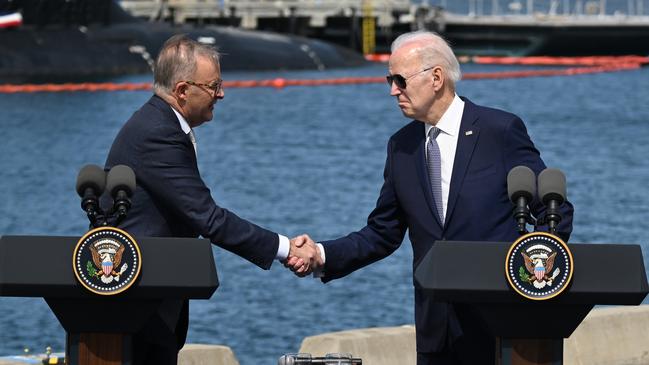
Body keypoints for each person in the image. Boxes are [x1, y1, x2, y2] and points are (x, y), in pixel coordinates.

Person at [287, 31, 573, 364]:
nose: (393, 90)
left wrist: (534, 281)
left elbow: (554, 212)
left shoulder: (500, 132)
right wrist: (321, 254)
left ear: (436, 77)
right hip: (437, 331)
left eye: (399, 80)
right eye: (389, 80)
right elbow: (383, 233)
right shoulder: (401, 147)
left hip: (503, 327)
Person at [104, 34, 321, 365]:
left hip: (151, 301)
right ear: (181, 91)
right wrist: (286, 249)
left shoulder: (159, 124)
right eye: (213, 86)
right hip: (139, 304)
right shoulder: (157, 133)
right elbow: (207, 218)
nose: (221, 94)